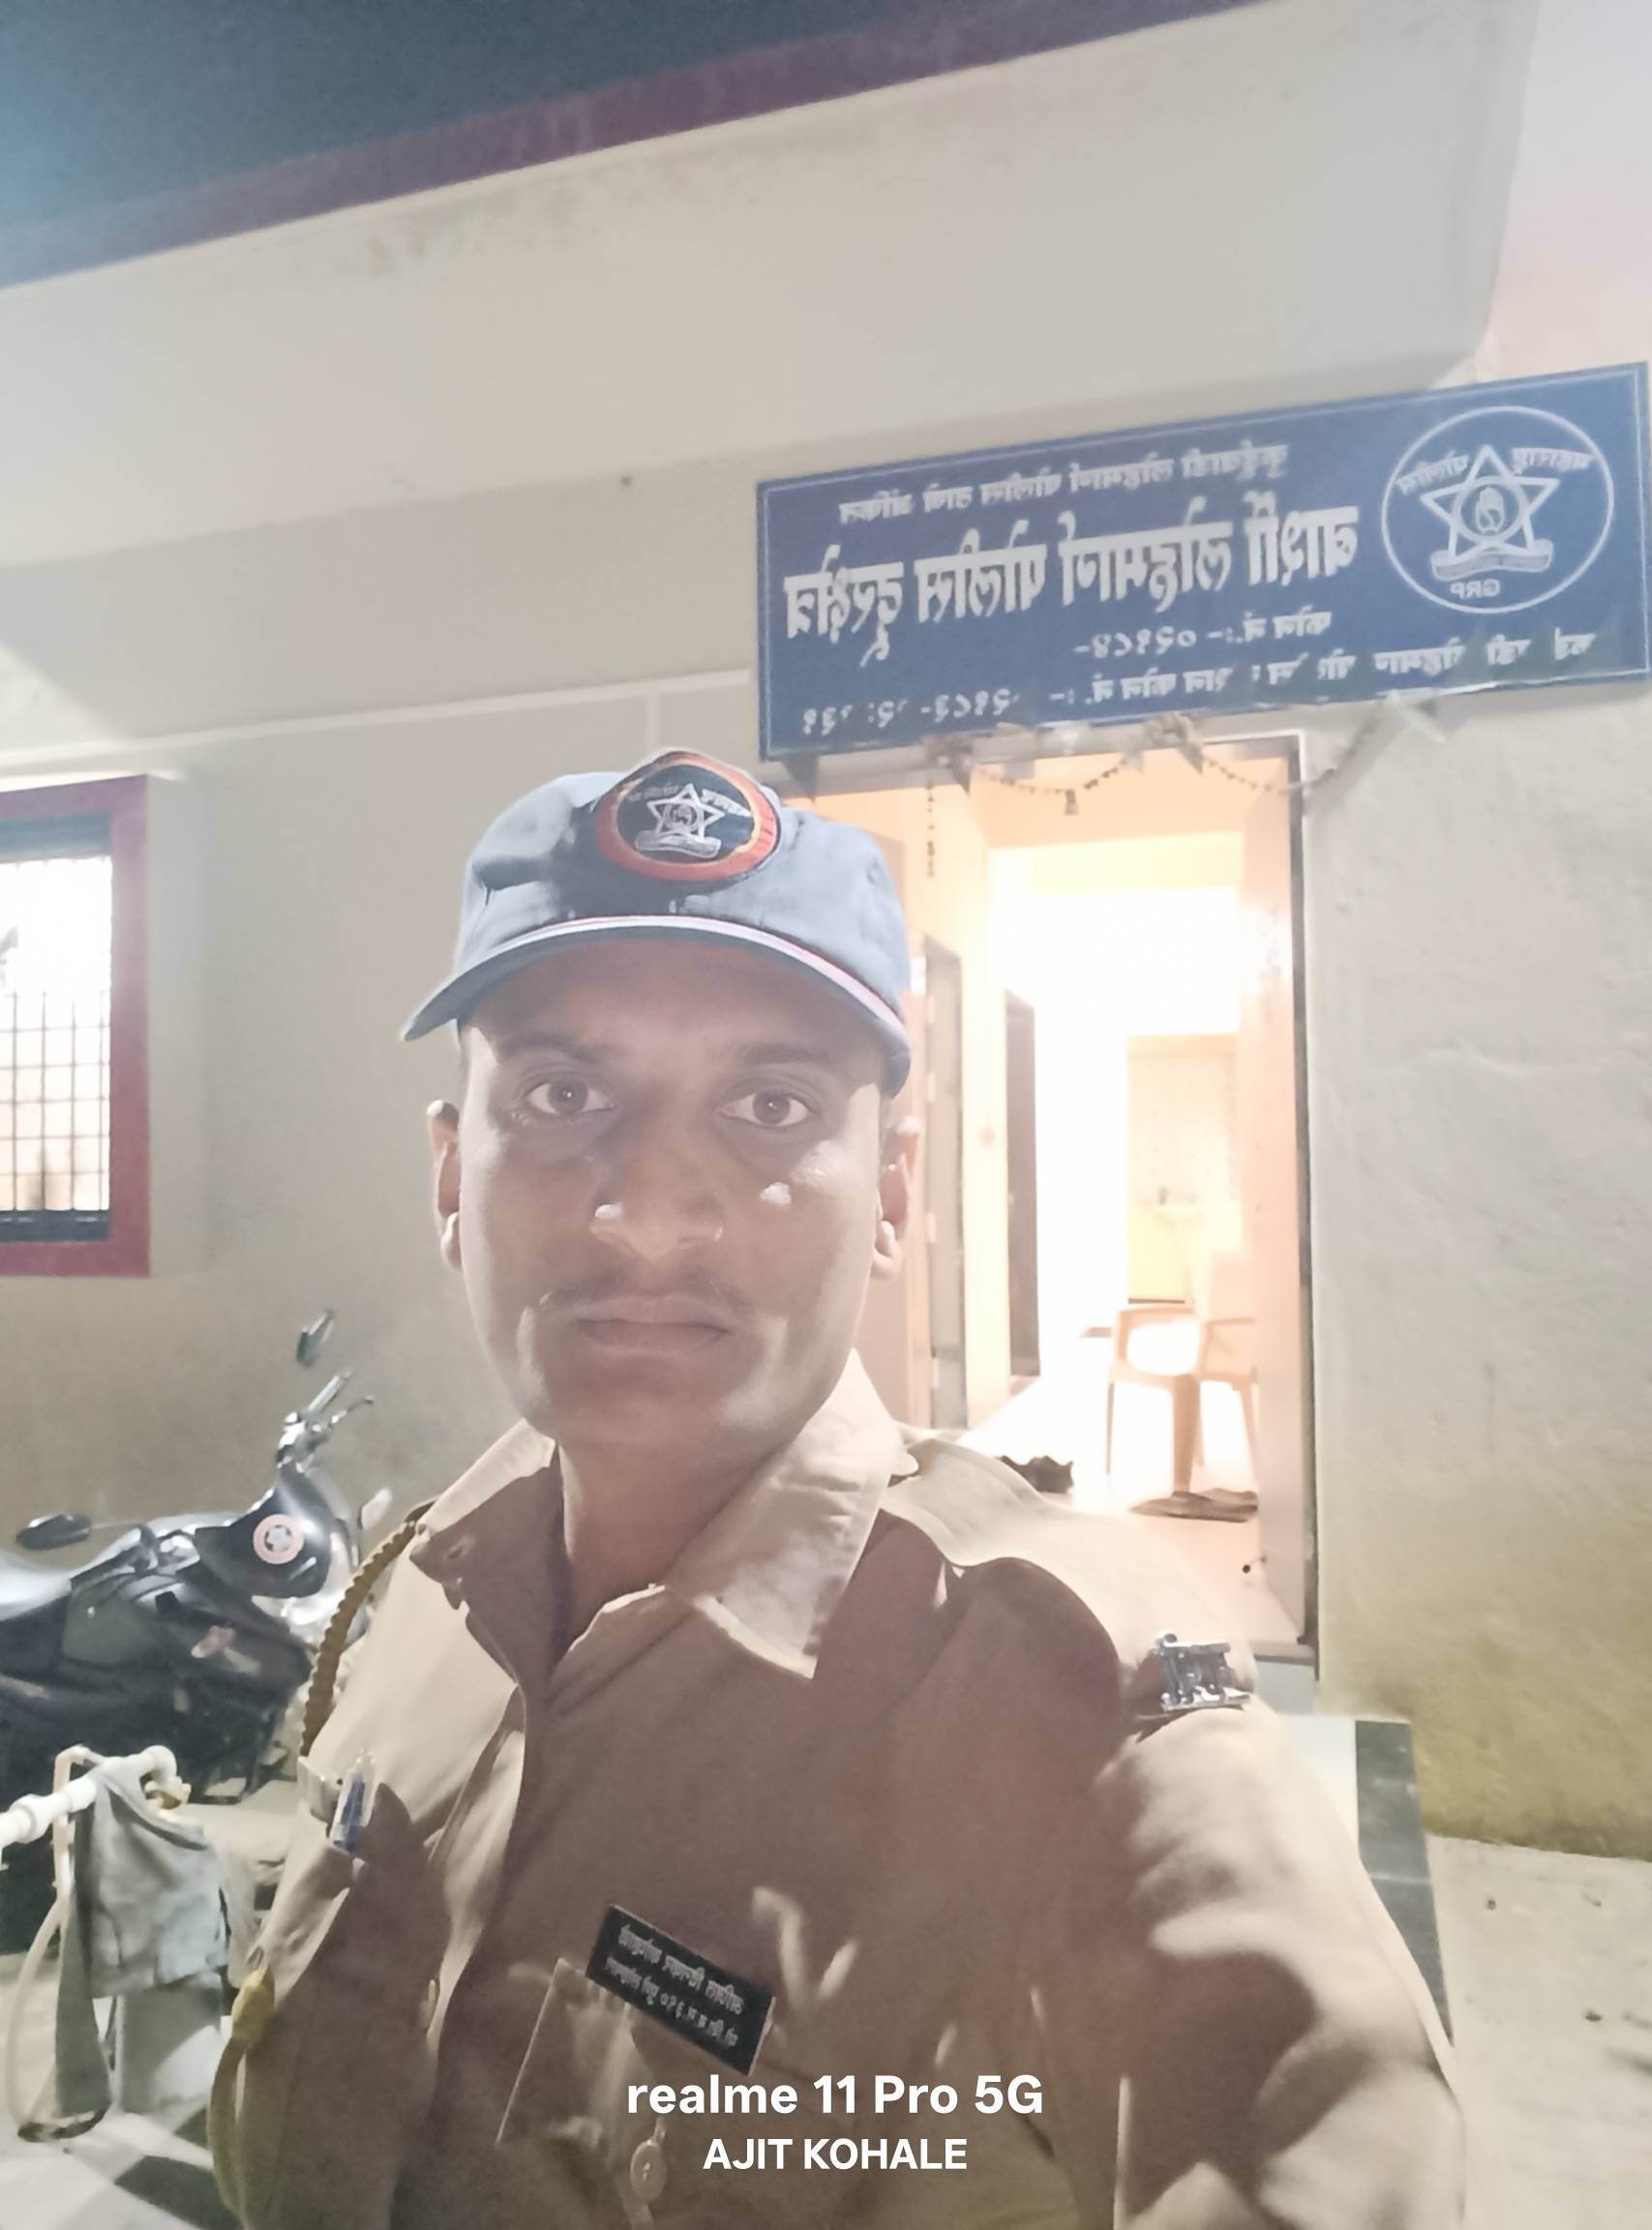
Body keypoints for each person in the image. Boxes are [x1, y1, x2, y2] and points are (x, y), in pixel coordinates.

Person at [211, 750, 1461, 2228]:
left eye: (770, 1105)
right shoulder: (423, 1599)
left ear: (892, 1192)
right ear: (448, 1180)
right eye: (561, 1093)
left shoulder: (1078, 1728)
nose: (647, 1213)